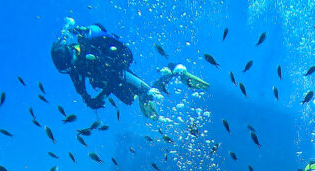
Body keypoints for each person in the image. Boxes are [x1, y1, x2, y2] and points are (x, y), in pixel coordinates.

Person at [50, 18, 208, 119]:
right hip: (108, 78)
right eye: (69, 68)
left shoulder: (89, 46)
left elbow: (113, 73)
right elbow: (81, 89)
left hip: (118, 67)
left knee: (149, 93)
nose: (73, 68)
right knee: (128, 100)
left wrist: (101, 96)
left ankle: (175, 71)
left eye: (71, 63)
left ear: (71, 52)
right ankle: (143, 94)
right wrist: (90, 100)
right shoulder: (73, 67)